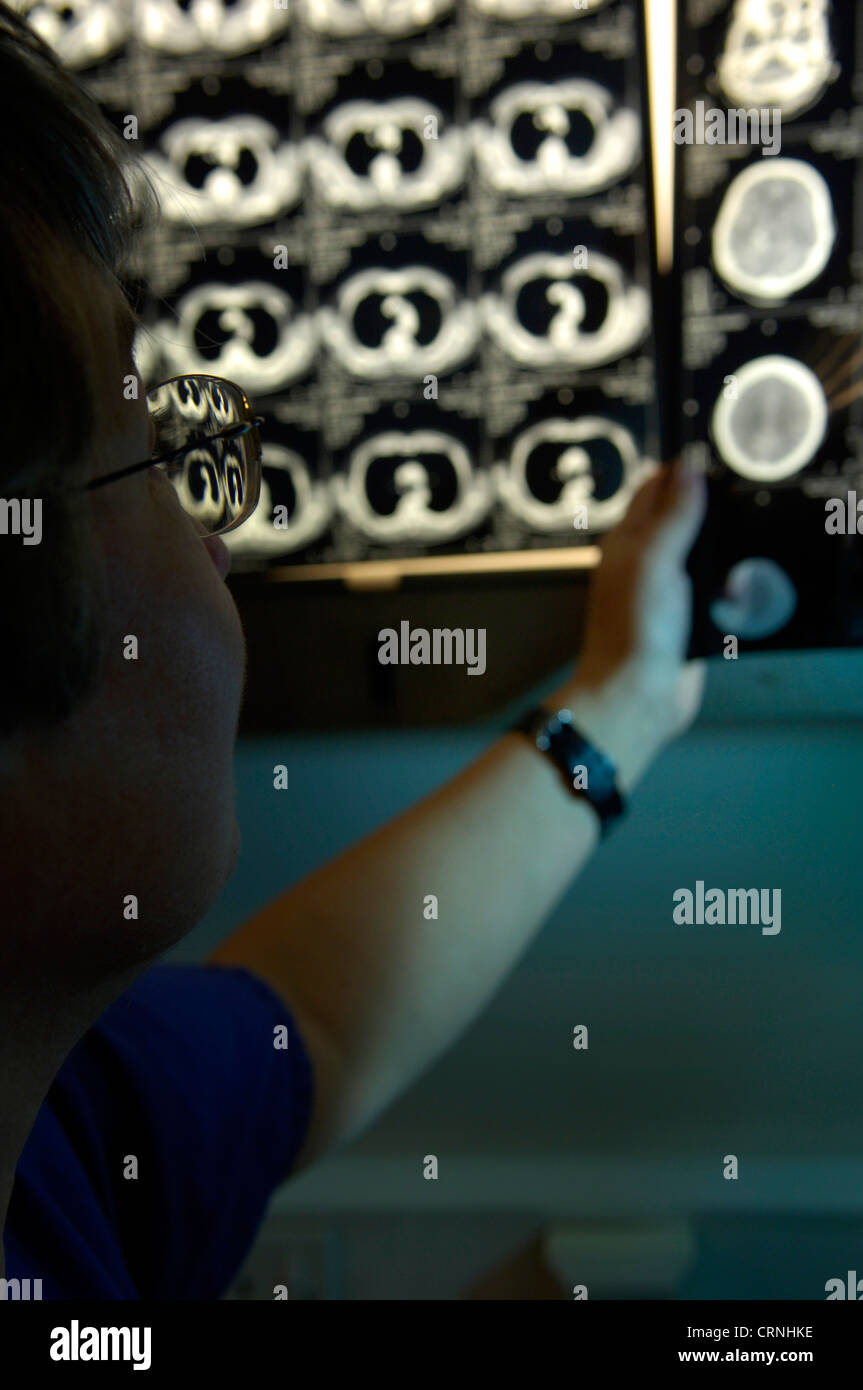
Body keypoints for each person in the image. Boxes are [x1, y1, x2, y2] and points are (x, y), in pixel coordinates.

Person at [0, 1, 706, 1299]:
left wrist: (624, 704)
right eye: (152, 447)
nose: (216, 543)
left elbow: (305, 1020)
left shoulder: (47, 1118)